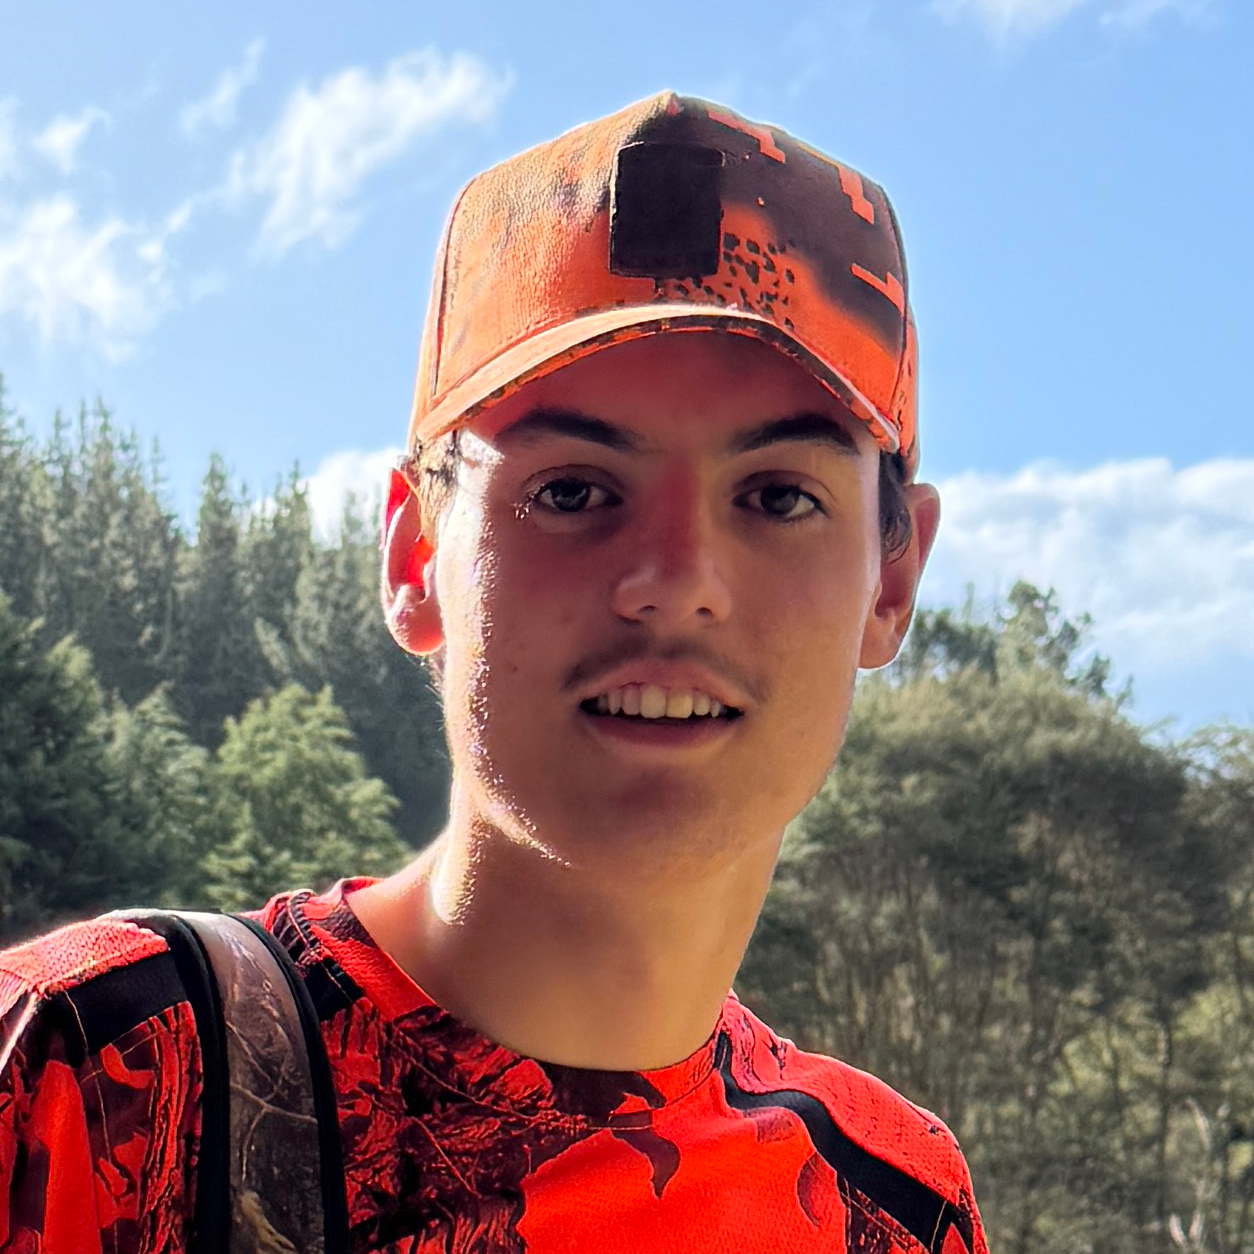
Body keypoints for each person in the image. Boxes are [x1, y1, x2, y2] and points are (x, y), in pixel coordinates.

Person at [0, 91, 988, 1253]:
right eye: (571, 491)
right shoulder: (95, 1077)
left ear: (891, 579)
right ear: (416, 554)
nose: (674, 580)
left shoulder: (893, 1201)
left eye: (778, 497)